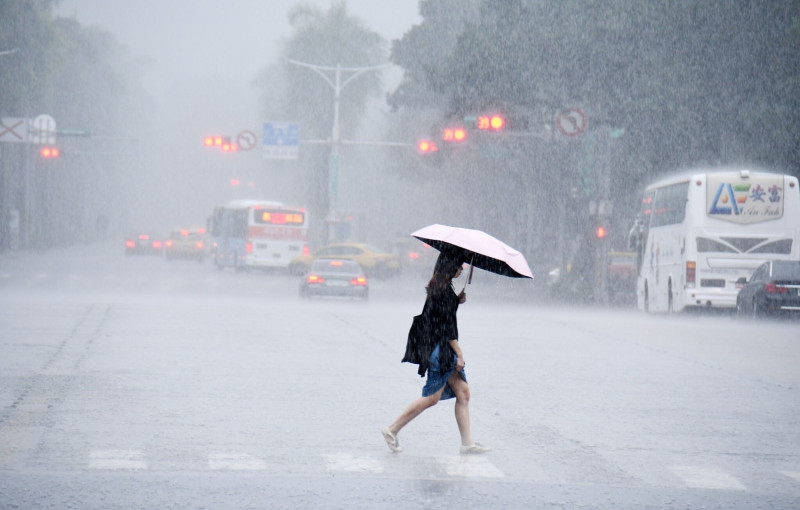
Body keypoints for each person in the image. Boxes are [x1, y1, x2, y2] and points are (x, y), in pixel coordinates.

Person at [381, 252, 491, 454]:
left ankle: (467, 444)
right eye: (459, 265)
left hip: (436, 346)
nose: (461, 269)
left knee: (463, 393)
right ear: (451, 268)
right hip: (440, 351)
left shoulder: (441, 288)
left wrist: (457, 301)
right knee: (432, 398)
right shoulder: (444, 293)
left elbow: (440, 315)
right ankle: (392, 429)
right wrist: (460, 354)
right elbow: (447, 330)